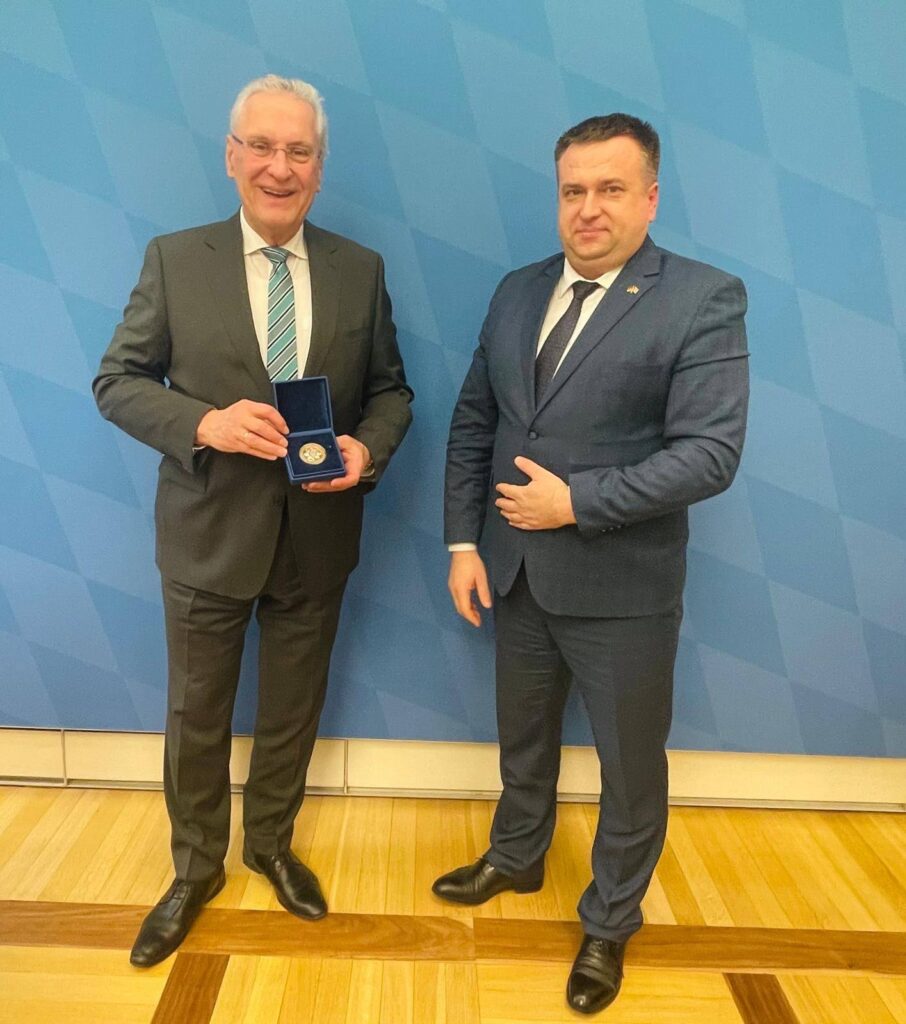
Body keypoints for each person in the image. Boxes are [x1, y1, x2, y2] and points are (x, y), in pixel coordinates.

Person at [94, 75, 412, 967]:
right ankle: (195, 870)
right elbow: (117, 382)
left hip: (318, 537)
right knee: (196, 714)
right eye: (262, 147)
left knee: (292, 709)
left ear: (319, 166)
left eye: (299, 150)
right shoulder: (173, 260)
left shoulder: (360, 270)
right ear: (232, 157)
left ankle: (270, 844)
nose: (280, 167)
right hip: (207, 536)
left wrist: (365, 450)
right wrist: (205, 424)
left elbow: (391, 392)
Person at [434, 114, 748, 1015]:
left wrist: (577, 502)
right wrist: (464, 543)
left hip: (624, 589)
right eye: (573, 190)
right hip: (514, 571)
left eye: (611, 189)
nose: (589, 208)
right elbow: (476, 422)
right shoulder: (516, 291)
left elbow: (709, 455)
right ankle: (517, 855)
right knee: (523, 736)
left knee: (629, 768)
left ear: (650, 197)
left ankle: (610, 922)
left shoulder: (703, 298)